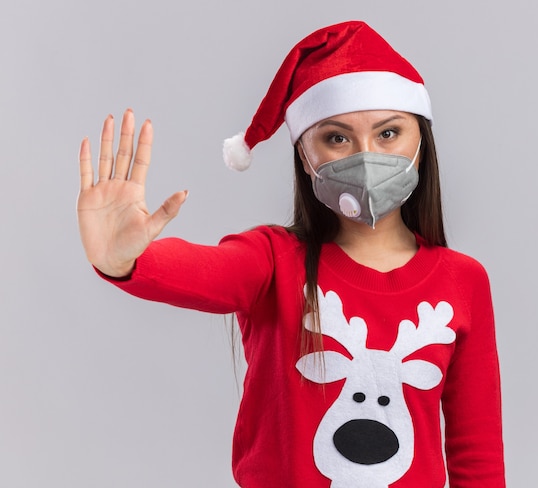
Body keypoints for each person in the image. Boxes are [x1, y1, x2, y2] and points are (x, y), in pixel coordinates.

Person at [77, 20, 505, 488]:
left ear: (421, 142)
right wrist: (122, 258)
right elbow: (199, 273)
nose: (366, 155)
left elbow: (477, 455)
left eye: (388, 134)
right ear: (305, 155)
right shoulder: (271, 260)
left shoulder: (463, 280)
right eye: (337, 137)